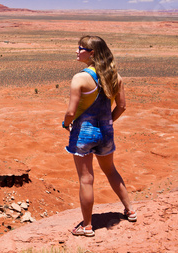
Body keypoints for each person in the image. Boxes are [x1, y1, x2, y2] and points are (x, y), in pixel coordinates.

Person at [63, 35, 137, 237]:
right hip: (106, 132)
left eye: (80, 48)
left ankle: (87, 226)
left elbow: (70, 112)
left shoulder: (80, 78)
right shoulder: (115, 77)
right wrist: (108, 121)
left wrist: (66, 124)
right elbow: (121, 106)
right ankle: (130, 210)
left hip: (84, 133)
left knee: (86, 179)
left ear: (92, 53)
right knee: (111, 171)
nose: (77, 51)